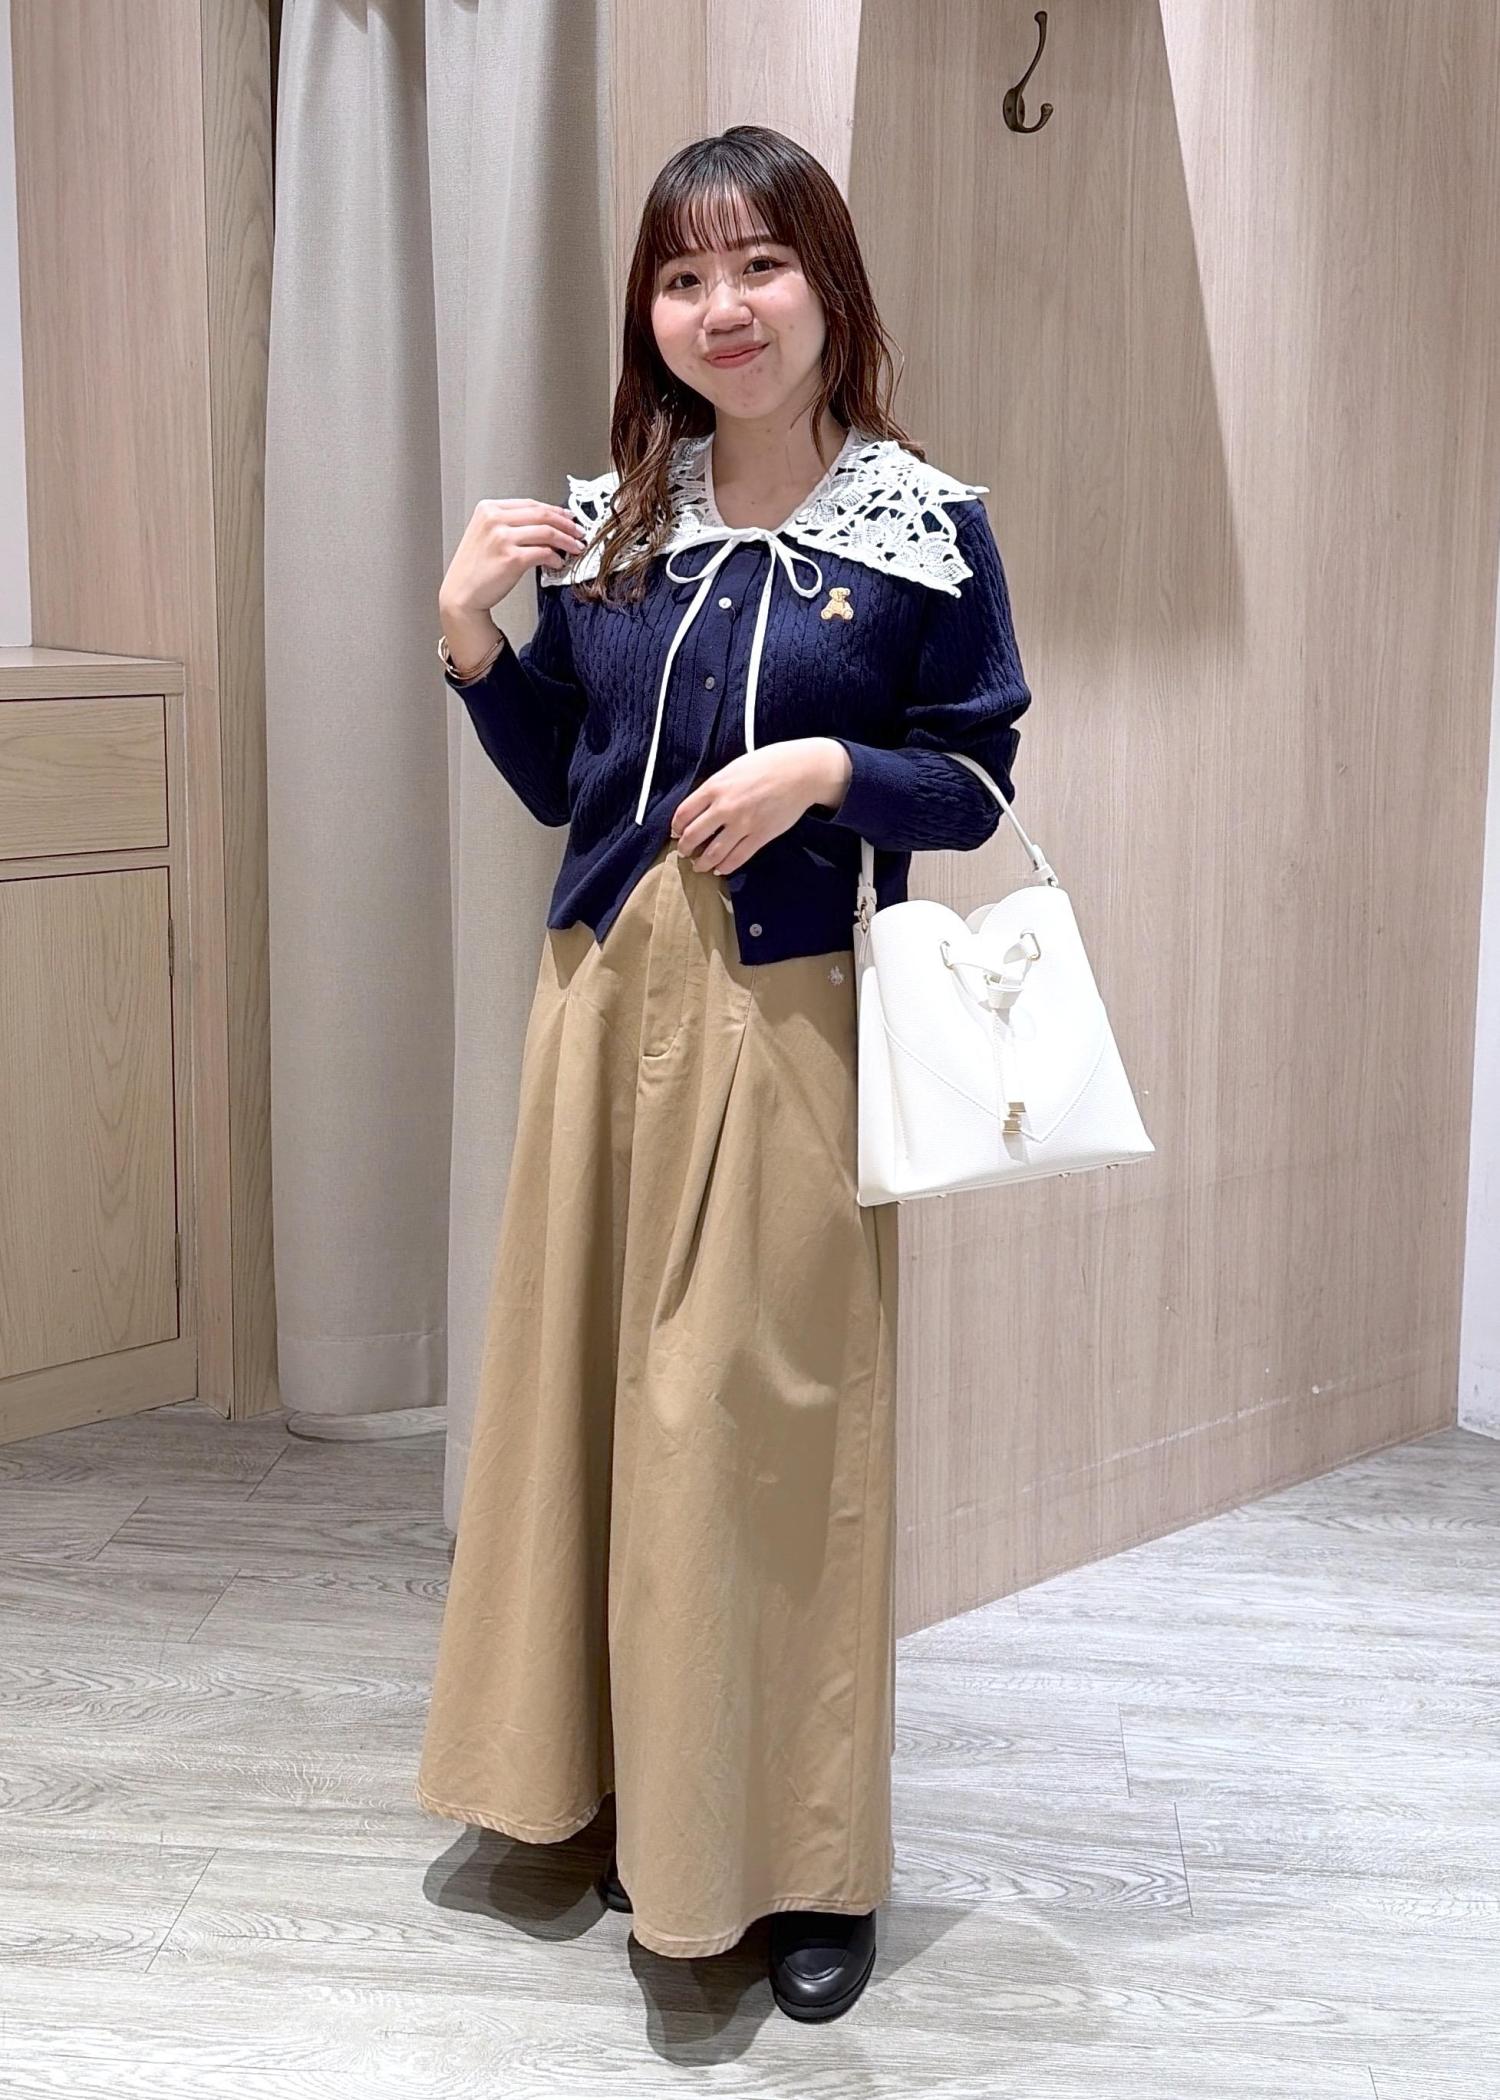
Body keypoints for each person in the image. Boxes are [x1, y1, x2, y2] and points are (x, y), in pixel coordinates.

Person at [416, 123, 1031, 2024]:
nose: (724, 306)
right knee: (584, 1406)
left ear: (828, 285)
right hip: (607, 1001)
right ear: (651, 315)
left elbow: (979, 779)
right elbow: (568, 778)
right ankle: (594, 1787)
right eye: (684, 277)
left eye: (760, 263)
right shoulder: (617, 521)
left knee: (765, 1438)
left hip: (795, 1015)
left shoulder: (926, 526)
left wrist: (831, 773)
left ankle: (797, 1858)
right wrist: (469, 637)